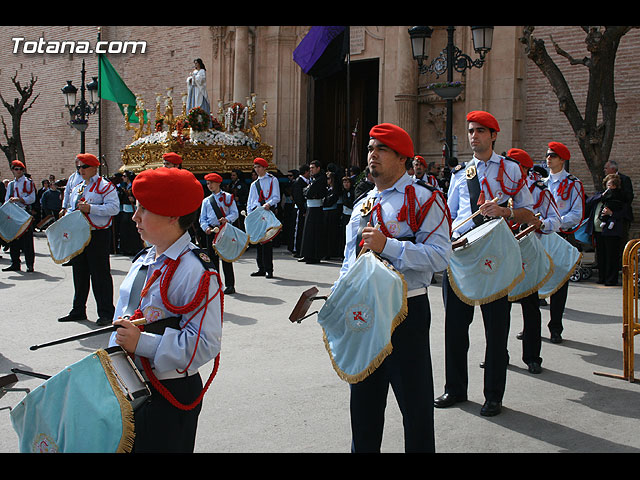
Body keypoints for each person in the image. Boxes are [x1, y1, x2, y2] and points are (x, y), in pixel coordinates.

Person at [338, 123, 451, 452]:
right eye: (370, 149)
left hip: (406, 312)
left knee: (415, 409)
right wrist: (340, 297)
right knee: (363, 408)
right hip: (365, 315)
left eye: (381, 149)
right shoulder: (362, 205)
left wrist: (390, 246)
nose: (371, 155)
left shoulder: (425, 200)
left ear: (402, 158)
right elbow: (348, 262)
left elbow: (441, 257)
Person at [107, 166, 222, 453]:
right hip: (128, 384)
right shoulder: (145, 258)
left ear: (172, 216)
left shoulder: (196, 271)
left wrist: (142, 343)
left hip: (168, 392)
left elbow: (205, 344)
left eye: (144, 209)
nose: (135, 217)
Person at [435, 111, 535, 417]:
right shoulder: (459, 174)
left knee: (496, 328)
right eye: (470, 131)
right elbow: (448, 217)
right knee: (454, 326)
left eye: (480, 131)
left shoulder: (511, 170)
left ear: (493, 135)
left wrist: (505, 212)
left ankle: (493, 395)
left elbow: (530, 213)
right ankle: (455, 388)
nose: (474, 136)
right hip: (463, 255)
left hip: (495, 256)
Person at [507, 148, 562, 374]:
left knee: (530, 306)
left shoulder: (539, 190)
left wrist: (540, 225)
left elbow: (555, 220)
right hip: (500, 252)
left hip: (527, 252)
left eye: (513, 166)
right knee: (497, 309)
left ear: (524, 169)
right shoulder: (498, 187)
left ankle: (532, 356)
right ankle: (498, 355)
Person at [58, 153, 120, 326]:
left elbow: (114, 208)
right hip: (79, 233)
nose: (81, 170)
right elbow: (72, 207)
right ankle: (78, 309)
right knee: (79, 271)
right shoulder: (78, 186)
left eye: (84, 167)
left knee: (99, 273)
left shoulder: (105, 186)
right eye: (79, 167)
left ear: (94, 167)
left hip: (97, 234)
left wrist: (91, 208)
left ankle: (106, 312)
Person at [543, 141, 585, 343]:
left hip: (559, 235)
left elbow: (576, 214)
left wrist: (554, 223)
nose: (548, 158)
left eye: (553, 155)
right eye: (548, 155)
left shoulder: (572, 183)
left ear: (562, 159)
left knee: (559, 284)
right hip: (541, 236)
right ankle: (531, 329)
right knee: (533, 282)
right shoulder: (541, 183)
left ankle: (555, 327)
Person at [200, 172, 237, 294]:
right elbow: (202, 218)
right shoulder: (206, 201)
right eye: (208, 183)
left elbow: (234, 213)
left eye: (211, 183)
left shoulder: (227, 197)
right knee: (212, 259)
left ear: (218, 183)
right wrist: (206, 228)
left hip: (224, 229)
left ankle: (230, 285)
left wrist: (227, 219)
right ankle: (215, 284)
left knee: (226, 258)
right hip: (211, 231)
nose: (209, 186)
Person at [586, 173, 626, 286]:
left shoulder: (619, 197)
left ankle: (611, 279)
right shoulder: (601, 195)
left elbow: (624, 213)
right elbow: (588, 202)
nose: (610, 188)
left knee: (611, 255)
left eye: (612, 185)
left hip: (611, 231)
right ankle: (601, 277)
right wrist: (602, 196)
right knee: (601, 255)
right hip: (599, 230)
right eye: (608, 185)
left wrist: (611, 213)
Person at [247, 157, 280, 278]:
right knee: (258, 240)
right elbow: (250, 201)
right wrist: (250, 213)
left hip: (267, 211)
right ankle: (260, 267)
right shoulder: (254, 184)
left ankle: (269, 269)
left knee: (267, 240)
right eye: (255, 167)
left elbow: (276, 196)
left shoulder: (272, 180)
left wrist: (269, 204)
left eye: (259, 167)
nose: (257, 169)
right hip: (257, 213)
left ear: (264, 167)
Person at [3, 160, 36, 272]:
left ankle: (30, 264)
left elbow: (32, 198)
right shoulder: (11, 184)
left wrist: (20, 199)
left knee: (27, 240)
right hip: (14, 213)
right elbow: (6, 199)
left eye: (20, 169)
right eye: (16, 169)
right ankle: (15, 263)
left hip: (24, 212)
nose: (18, 171)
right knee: (14, 239)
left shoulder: (28, 182)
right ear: (13, 170)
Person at [299, 160, 327, 264]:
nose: (311, 170)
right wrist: (307, 191)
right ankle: (306, 254)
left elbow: (309, 192)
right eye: (310, 168)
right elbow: (305, 192)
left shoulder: (321, 178)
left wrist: (308, 191)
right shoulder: (313, 179)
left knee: (314, 232)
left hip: (316, 208)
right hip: (310, 206)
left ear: (318, 168)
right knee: (307, 232)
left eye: (313, 168)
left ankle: (314, 256)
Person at [322, 170, 342, 260]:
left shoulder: (335, 189)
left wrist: (325, 201)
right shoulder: (326, 188)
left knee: (330, 233)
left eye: (328, 178)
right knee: (324, 233)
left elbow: (330, 201)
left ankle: (330, 252)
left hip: (332, 212)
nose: (327, 180)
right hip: (325, 211)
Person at [291, 164, 310, 258]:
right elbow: (298, 198)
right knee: (298, 229)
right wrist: (302, 209)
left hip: (305, 208)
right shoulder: (298, 182)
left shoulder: (307, 181)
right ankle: (296, 249)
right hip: (300, 209)